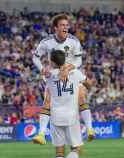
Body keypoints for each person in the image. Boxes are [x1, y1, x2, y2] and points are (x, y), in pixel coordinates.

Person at [32, 14, 94, 144]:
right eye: (62, 25)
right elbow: (35, 57)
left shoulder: (74, 41)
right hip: (53, 73)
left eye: (67, 25)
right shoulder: (46, 42)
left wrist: (72, 66)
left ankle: (90, 130)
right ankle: (41, 134)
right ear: (56, 27)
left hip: (70, 73)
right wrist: (41, 68)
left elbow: (79, 59)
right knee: (48, 100)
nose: (65, 27)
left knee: (81, 96)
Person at [40, 50, 88, 158]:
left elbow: (46, 73)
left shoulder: (49, 75)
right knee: (76, 149)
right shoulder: (75, 73)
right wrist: (84, 88)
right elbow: (87, 82)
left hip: (55, 116)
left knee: (59, 152)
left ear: (52, 62)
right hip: (72, 116)